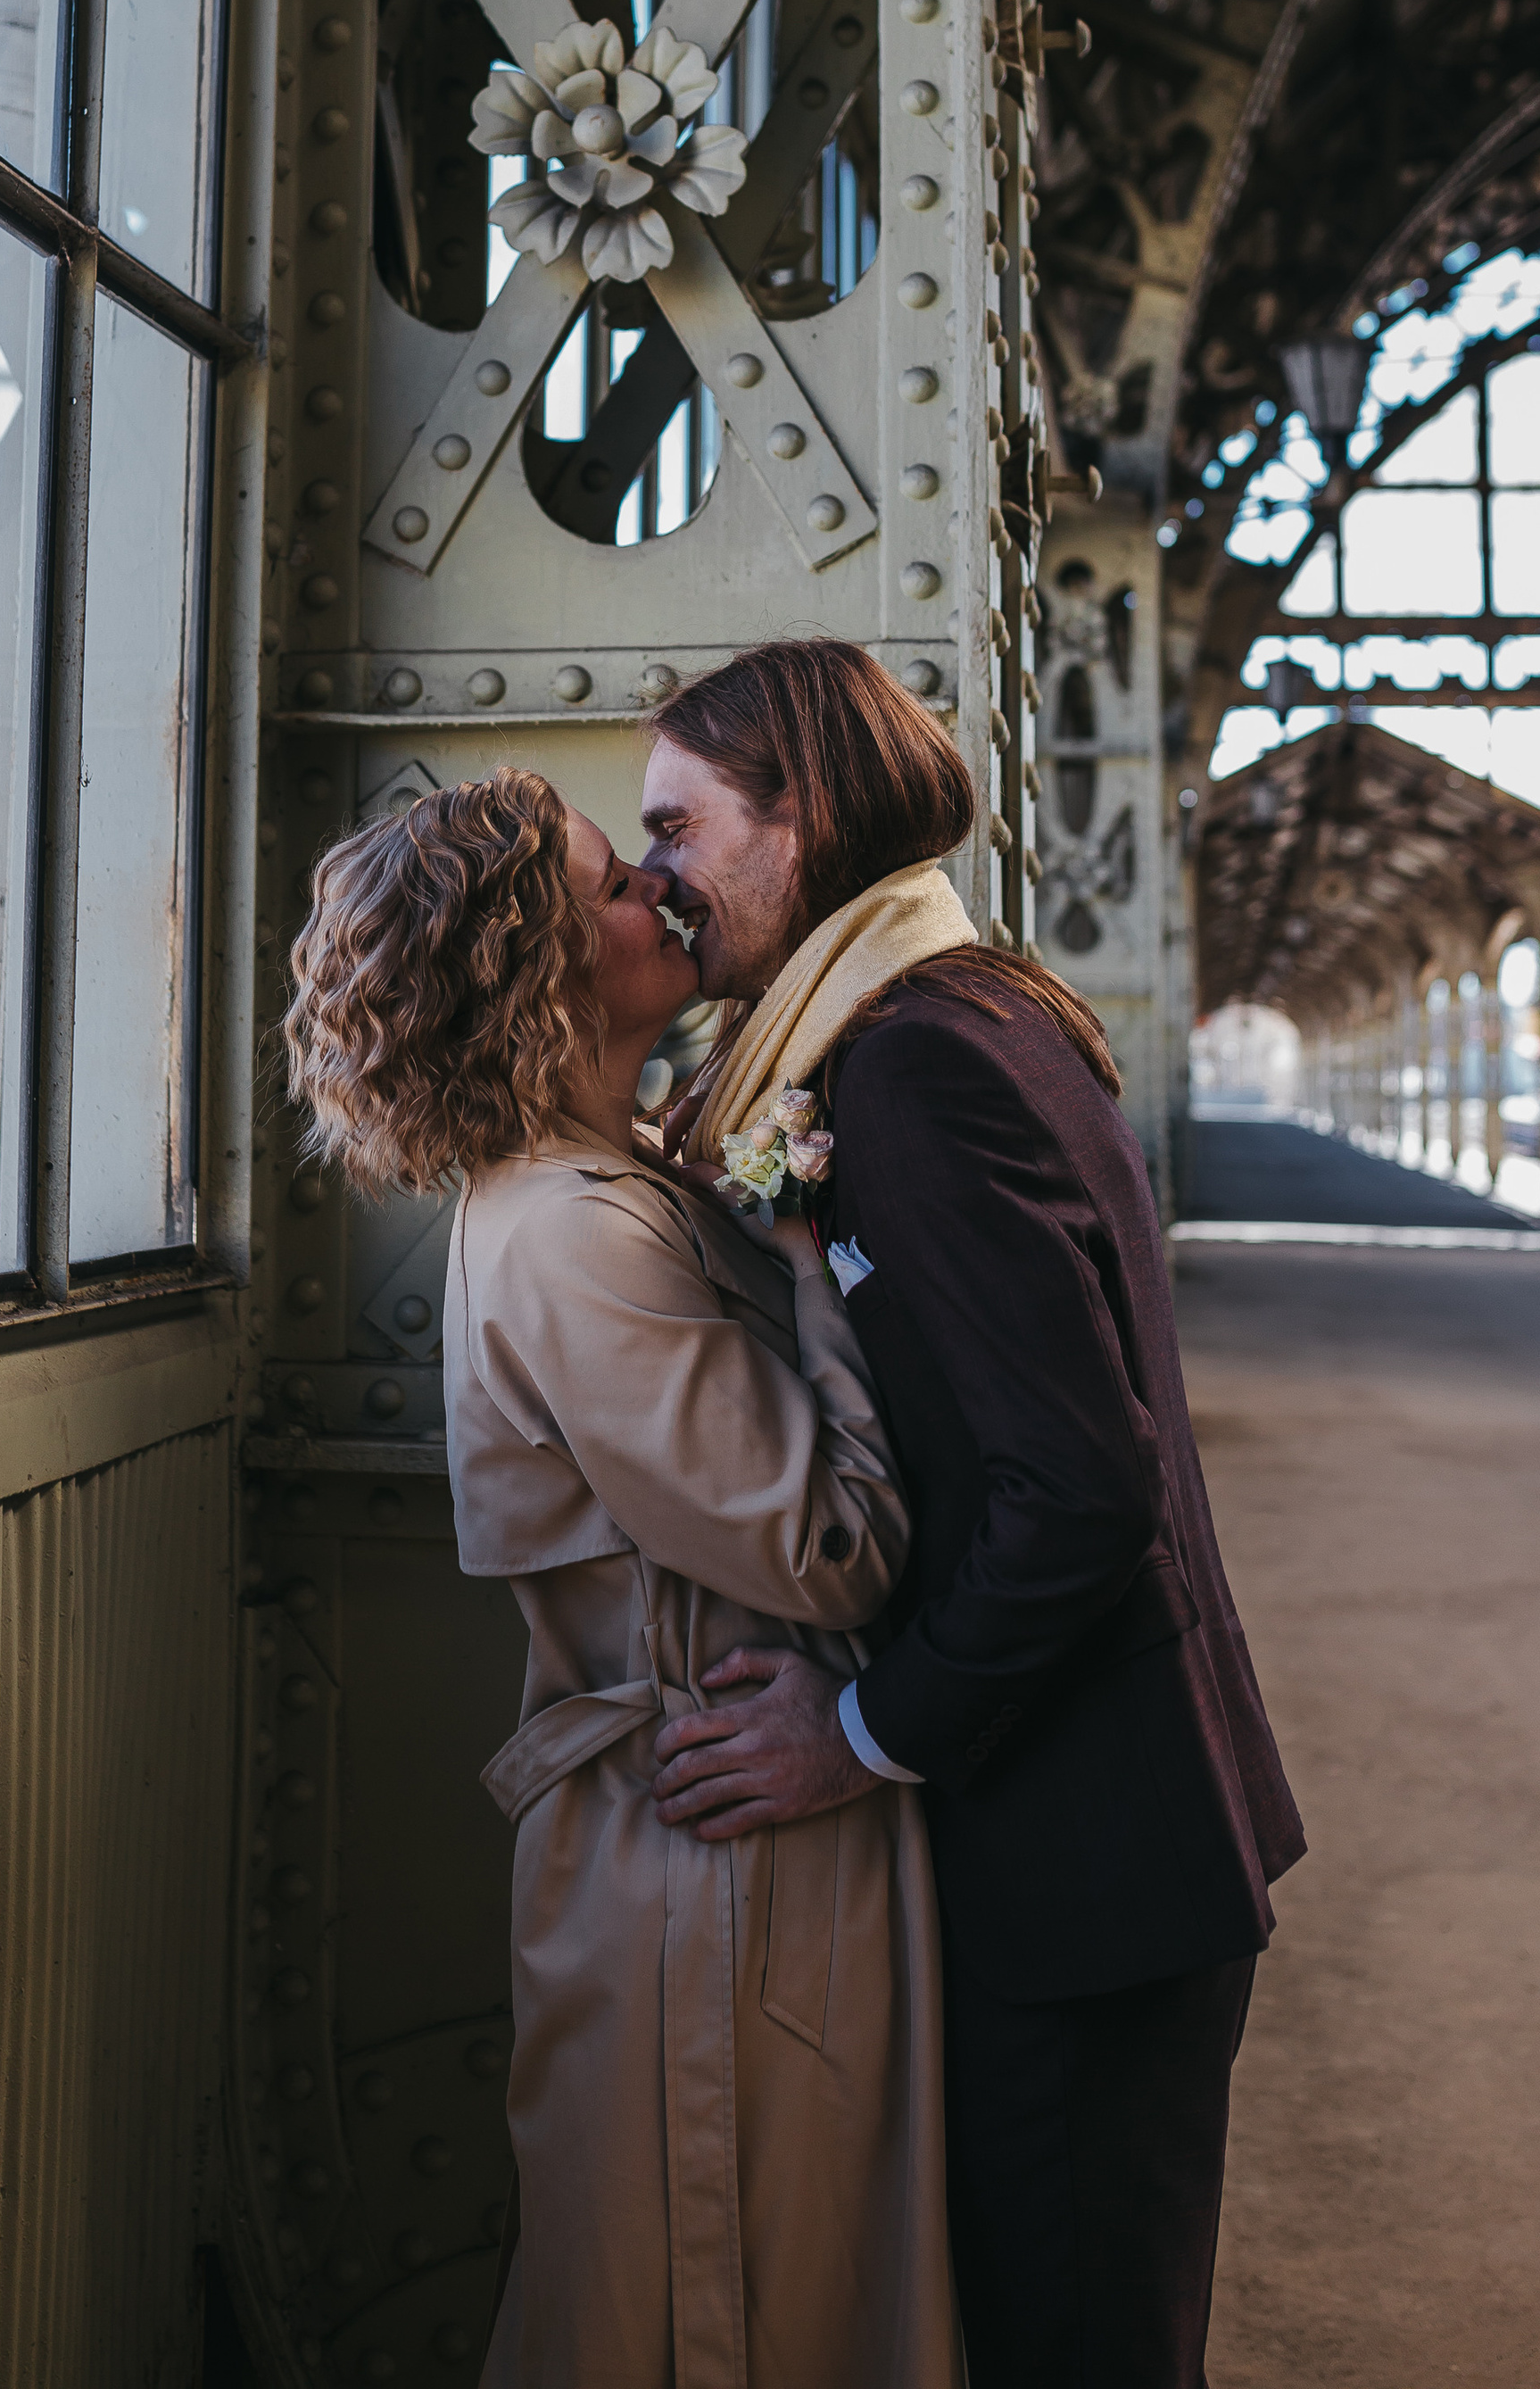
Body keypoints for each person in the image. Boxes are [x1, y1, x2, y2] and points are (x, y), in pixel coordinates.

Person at [640, 641, 1304, 2389]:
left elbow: (1079, 1487)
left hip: (1083, 1858)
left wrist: (861, 1730)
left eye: (678, 826)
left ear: (799, 824)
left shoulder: (912, 1069)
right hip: (1108, 1838)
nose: (653, 874)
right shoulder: (977, 1008)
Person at [281, 766, 962, 2389]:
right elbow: (836, 1547)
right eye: (606, 883)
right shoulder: (579, 1233)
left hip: (712, 1835)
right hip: (720, 1856)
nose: (655, 891)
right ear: (529, 963)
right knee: (727, 2303)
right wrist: (814, 1275)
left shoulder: (617, 1181)